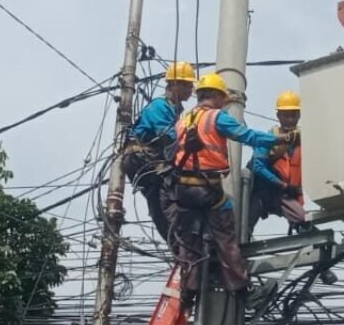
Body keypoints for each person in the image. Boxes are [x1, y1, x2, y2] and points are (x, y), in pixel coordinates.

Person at [171, 72, 293, 301]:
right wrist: (279, 140)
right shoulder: (217, 117)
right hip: (207, 189)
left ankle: (189, 290)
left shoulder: (183, 120)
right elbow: (246, 136)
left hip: (183, 189)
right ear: (216, 96)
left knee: (189, 240)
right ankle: (240, 289)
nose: (224, 103)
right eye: (223, 98)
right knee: (226, 236)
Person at [122, 61, 196, 243]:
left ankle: (178, 241)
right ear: (174, 84)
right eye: (187, 85)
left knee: (162, 200)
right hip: (141, 158)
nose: (191, 89)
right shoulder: (160, 106)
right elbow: (169, 137)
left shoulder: (173, 110)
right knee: (169, 194)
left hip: (148, 160)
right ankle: (181, 241)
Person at [248, 90, 310, 237]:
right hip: (265, 193)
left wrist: (298, 202)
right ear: (278, 116)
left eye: (293, 115)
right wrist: (282, 185)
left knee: (303, 219)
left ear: (299, 115)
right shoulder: (269, 138)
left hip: (285, 194)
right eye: (285, 115)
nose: (289, 119)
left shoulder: (304, 140)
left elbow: (299, 177)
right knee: (243, 228)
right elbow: (257, 166)